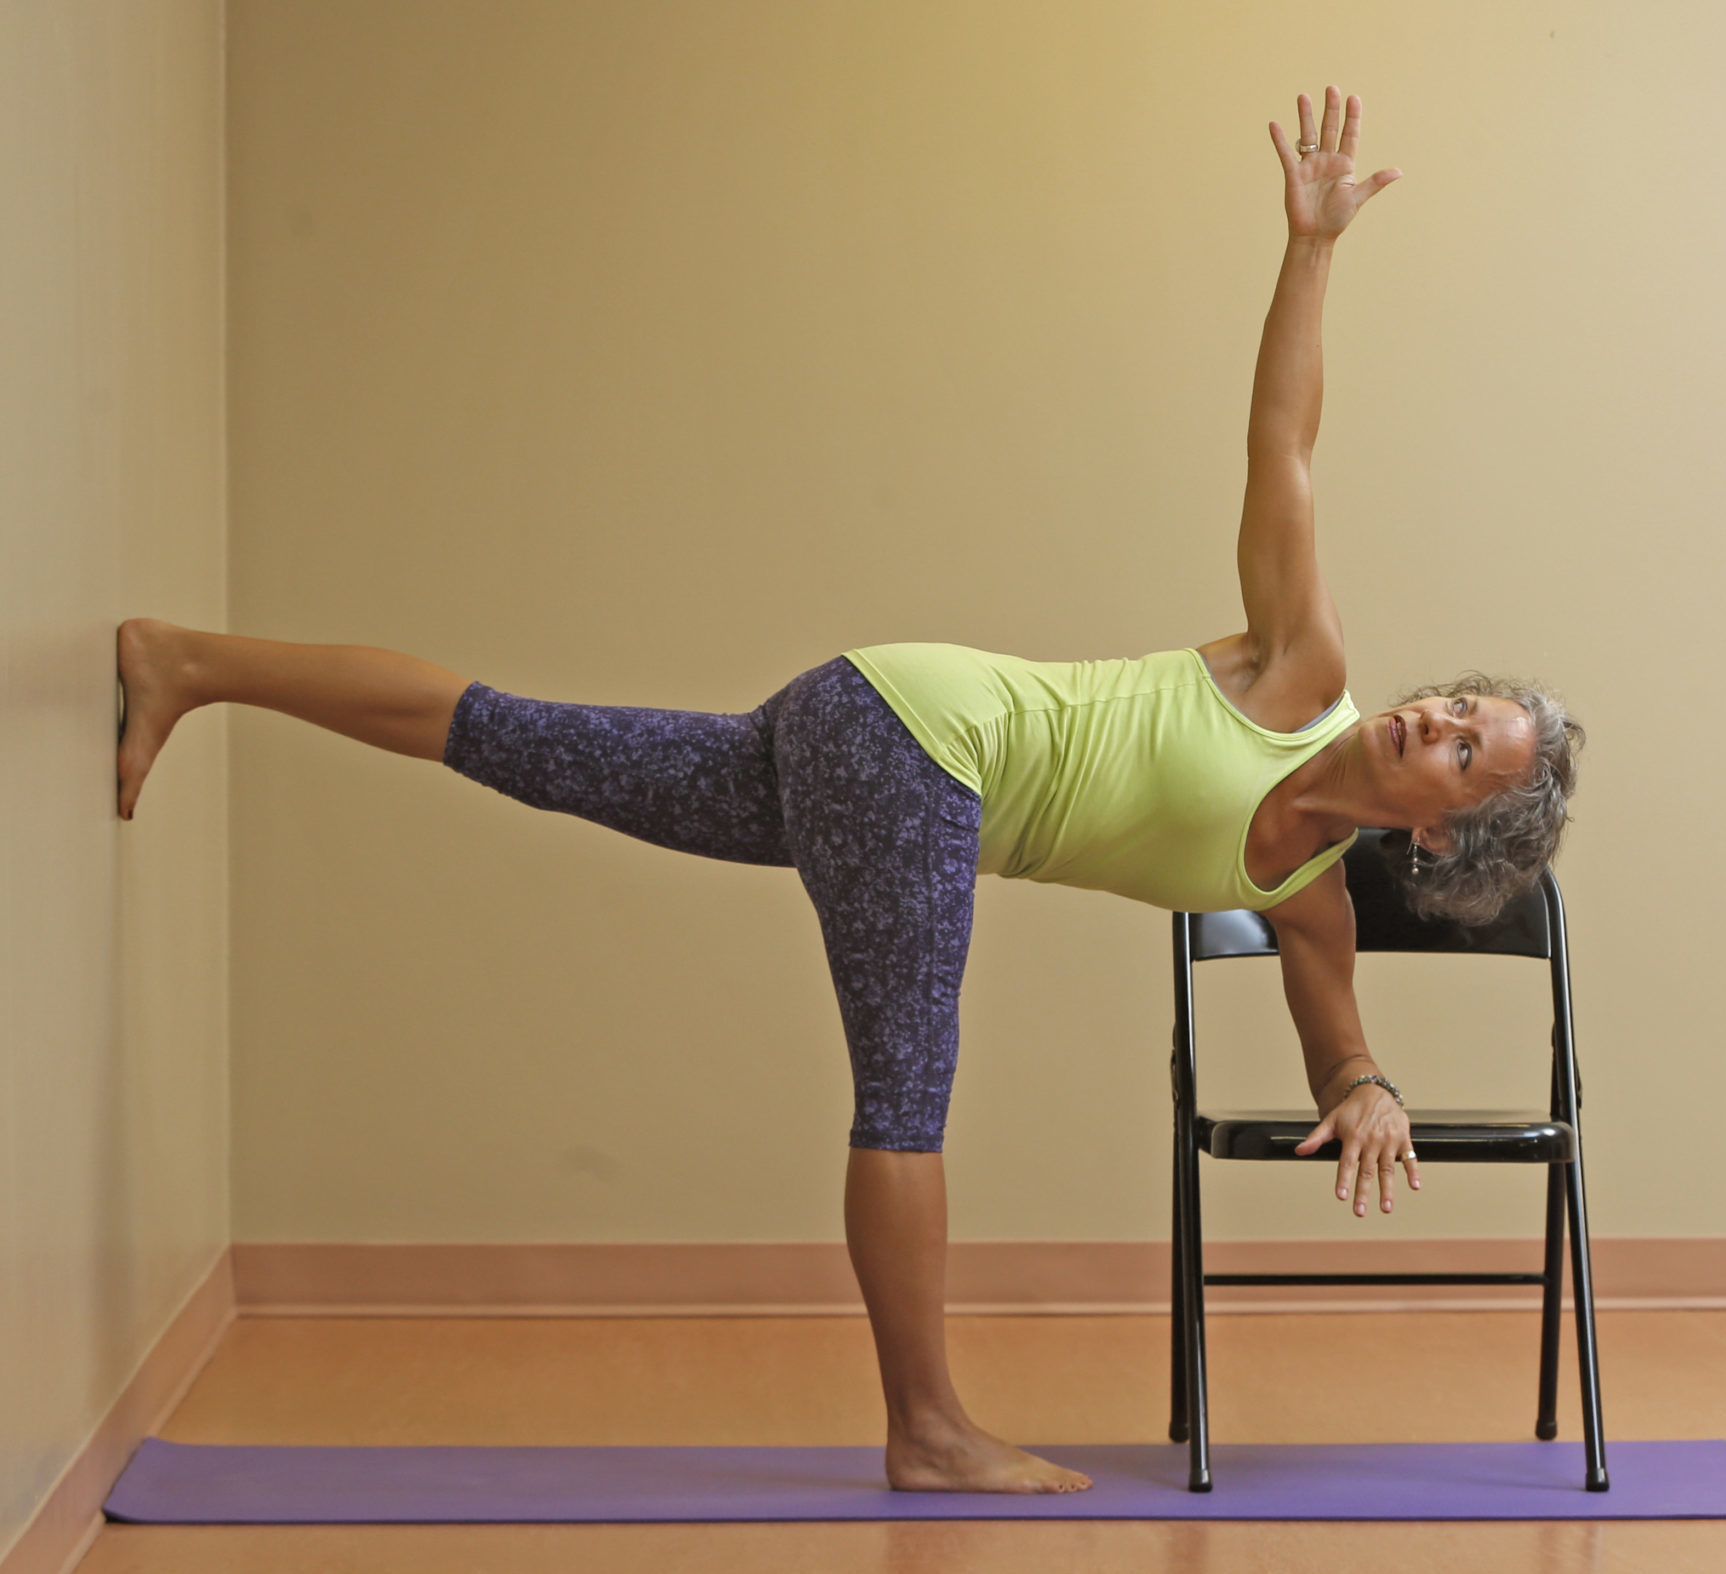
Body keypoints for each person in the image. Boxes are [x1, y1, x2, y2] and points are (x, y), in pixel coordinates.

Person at [115, 88, 1581, 1496]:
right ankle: (928, 1427)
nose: (1436, 717)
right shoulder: (1295, 672)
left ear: (1447, 829)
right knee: (907, 1088)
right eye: (1458, 702)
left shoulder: (1307, 903)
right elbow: (1284, 448)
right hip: (914, 745)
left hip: (864, 734)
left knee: (526, 742)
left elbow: (1334, 1056)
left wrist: (1369, 1092)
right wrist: (1310, 247)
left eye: (1468, 748)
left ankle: (190, 663)